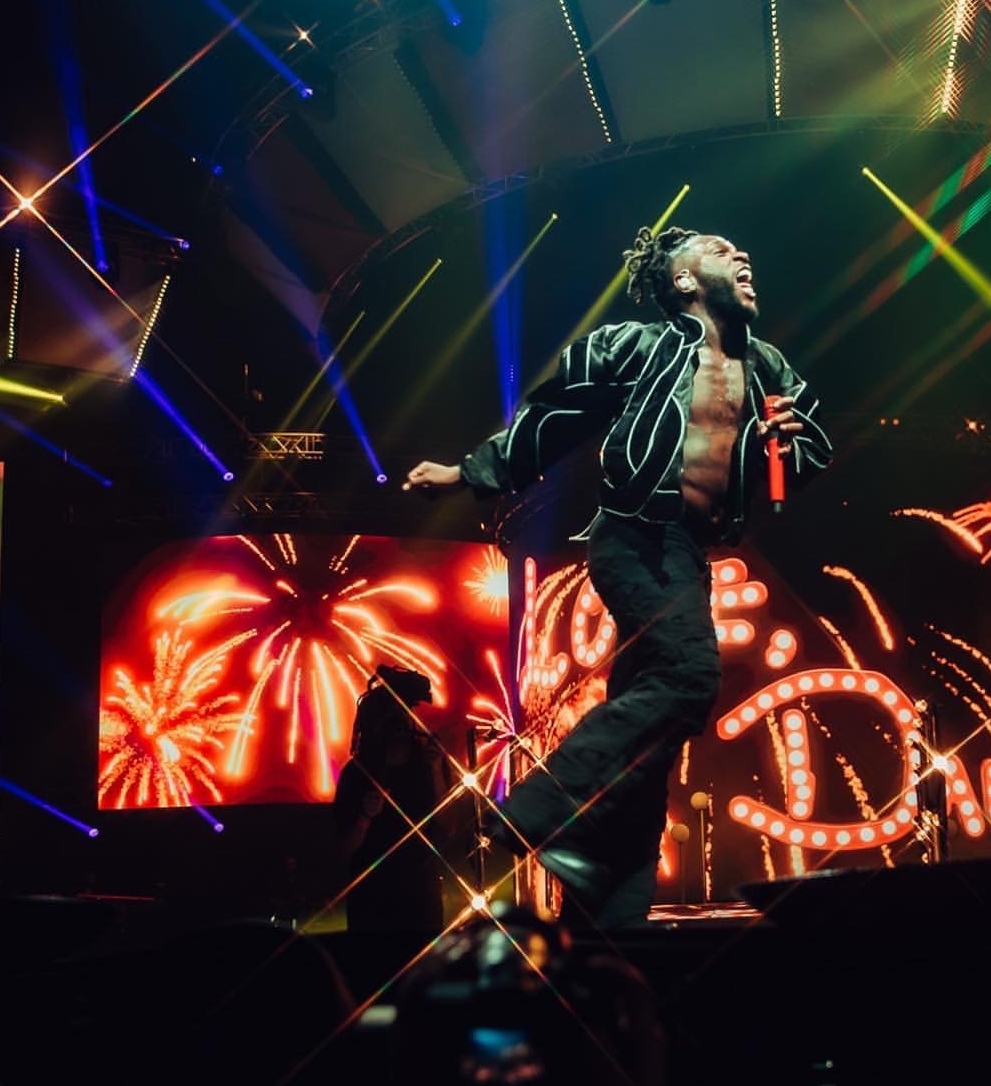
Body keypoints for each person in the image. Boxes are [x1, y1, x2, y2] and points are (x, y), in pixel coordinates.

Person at [403, 226, 831, 928]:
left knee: (652, 753)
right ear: (686, 281)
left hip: (689, 554)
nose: (744, 256)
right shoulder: (633, 345)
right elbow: (552, 415)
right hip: (634, 539)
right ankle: (535, 813)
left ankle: (609, 919)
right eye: (724, 251)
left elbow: (811, 449)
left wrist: (788, 441)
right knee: (689, 678)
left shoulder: (770, 367)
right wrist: (468, 472)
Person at [333, 665, 448, 935]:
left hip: (420, 898)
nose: (402, 725)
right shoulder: (357, 773)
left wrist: (435, 772)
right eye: (394, 717)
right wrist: (364, 818)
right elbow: (343, 850)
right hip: (373, 901)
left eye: (405, 715)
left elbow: (448, 827)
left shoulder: (429, 763)